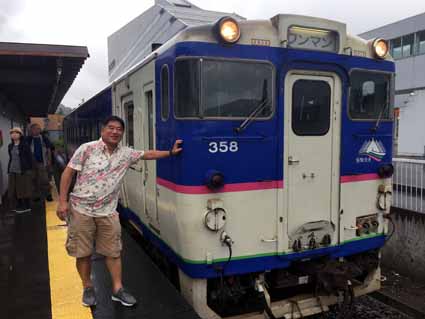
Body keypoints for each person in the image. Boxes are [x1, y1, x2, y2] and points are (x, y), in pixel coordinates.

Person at [56, 116, 182, 307]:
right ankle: (88, 287)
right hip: (81, 209)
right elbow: (68, 173)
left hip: (108, 211)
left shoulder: (125, 154)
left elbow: (147, 154)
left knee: (113, 252)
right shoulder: (87, 149)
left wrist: (170, 153)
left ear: (122, 133)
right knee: (83, 253)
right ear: (103, 130)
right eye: (111, 128)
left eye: (119, 129)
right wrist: (62, 201)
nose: (115, 132)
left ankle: (118, 289)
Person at [8, 127, 33, 213]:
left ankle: (26, 206)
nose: (14, 134)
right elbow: (11, 158)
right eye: (12, 133)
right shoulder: (10, 146)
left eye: (16, 133)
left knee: (23, 188)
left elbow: (30, 158)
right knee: (14, 189)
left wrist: (30, 169)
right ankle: (19, 205)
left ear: (20, 135)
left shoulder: (24, 145)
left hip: (22, 170)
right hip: (12, 170)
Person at [26, 123, 53, 202]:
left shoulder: (44, 138)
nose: (37, 130)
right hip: (31, 163)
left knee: (44, 179)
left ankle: (48, 194)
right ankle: (36, 195)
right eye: (35, 129)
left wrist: (49, 160)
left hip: (42, 162)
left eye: (38, 128)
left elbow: (49, 150)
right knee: (34, 180)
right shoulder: (28, 139)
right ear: (31, 130)